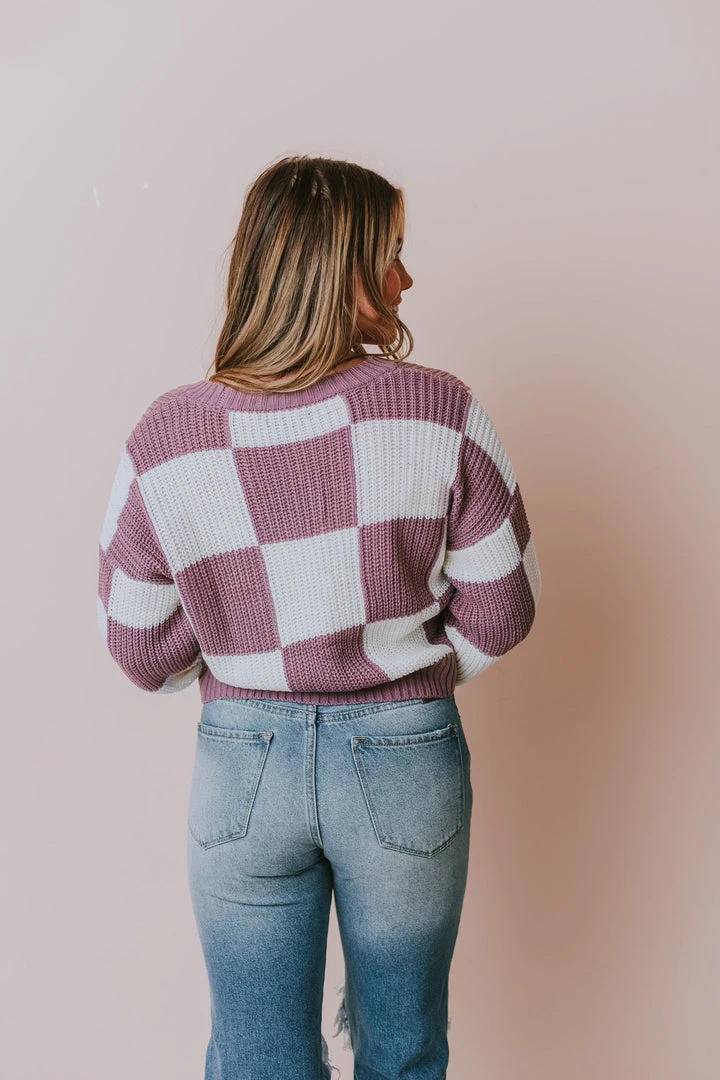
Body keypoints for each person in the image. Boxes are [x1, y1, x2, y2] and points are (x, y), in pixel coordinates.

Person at [97, 154, 542, 1080]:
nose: (407, 279)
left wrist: (242, 646)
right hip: (405, 754)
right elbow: (502, 609)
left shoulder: (167, 438)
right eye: (391, 254)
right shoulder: (439, 411)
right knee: (405, 1051)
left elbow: (140, 648)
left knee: (256, 1059)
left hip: (242, 763)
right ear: (340, 269)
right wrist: (405, 667)